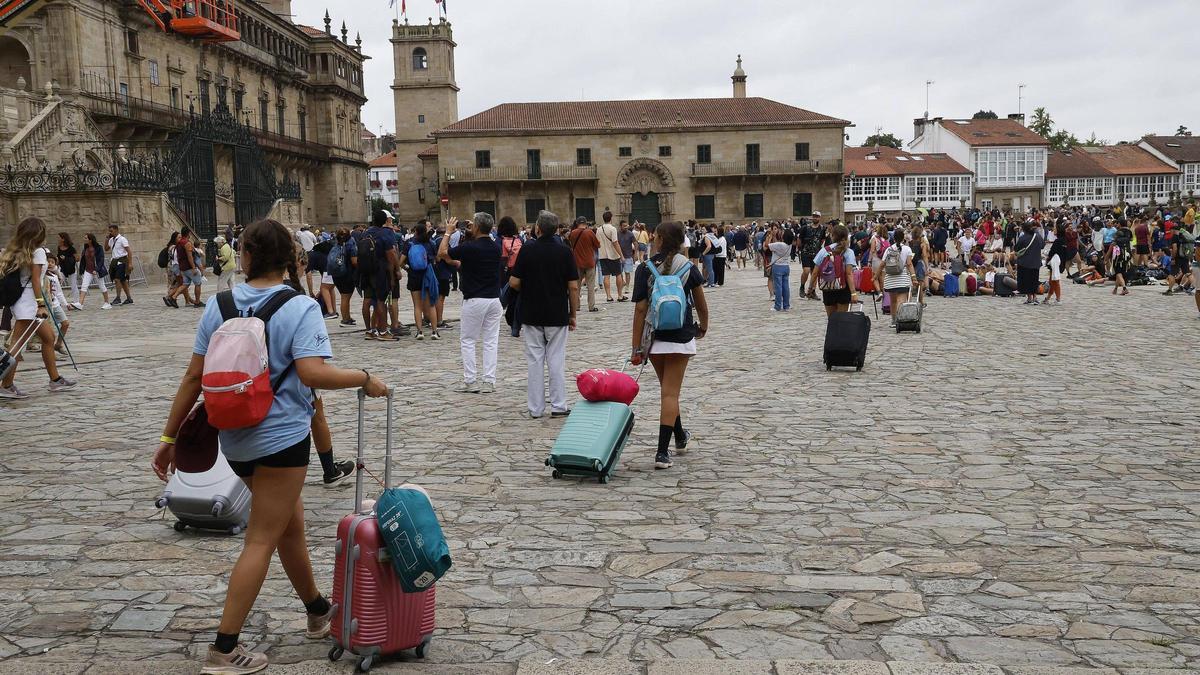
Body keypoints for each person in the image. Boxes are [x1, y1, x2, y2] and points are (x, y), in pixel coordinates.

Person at [152, 218, 387, 674]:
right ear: (292, 260)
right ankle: (224, 648)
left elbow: (193, 378)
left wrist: (168, 438)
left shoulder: (219, 305)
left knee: (288, 524)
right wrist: (365, 378)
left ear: (245, 256)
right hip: (281, 437)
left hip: (235, 437)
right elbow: (313, 374)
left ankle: (318, 610)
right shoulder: (301, 307)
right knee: (262, 537)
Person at [630, 220, 708, 470]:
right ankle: (662, 452)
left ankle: (680, 436)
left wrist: (636, 347)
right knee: (670, 393)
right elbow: (701, 303)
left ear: (661, 239)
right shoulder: (688, 267)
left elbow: (640, 309)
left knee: (667, 390)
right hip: (681, 336)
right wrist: (703, 326)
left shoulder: (645, 268)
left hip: (654, 338)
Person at [509, 211, 579, 419]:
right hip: (557, 313)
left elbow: (514, 282)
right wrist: (573, 313)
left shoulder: (528, 250)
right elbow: (573, 287)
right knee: (556, 360)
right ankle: (558, 405)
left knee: (534, 361)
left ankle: (536, 408)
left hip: (531, 313)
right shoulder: (564, 252)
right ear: (556, 229)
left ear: (538, 228)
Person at [0, 217, 77, 398]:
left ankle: (55, 380)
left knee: (48, 338)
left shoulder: (17, 249)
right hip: (30, 303)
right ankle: (6, 385)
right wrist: (41, 305)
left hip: (22, 300)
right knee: (16, 346)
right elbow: (36, 281)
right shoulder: (39, 252)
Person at [441, 213, 503, 393]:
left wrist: (448, 233)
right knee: (491, 341)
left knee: (468, 340)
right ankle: (489, 381)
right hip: (493, 299)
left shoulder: (469, 248)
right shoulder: (495, 247)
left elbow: (442, 253)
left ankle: (470, 380)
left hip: (475, 299)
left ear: (476, 227)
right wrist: (474, 229)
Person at [362, 210, 401, 341]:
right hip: (380, 270)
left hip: (367, 270)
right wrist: (397, 270)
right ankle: (383, 331)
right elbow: (391, 254)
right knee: (381, 300)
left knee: (367, 301)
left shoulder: (367, 232)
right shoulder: (385, 234)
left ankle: (370, 330)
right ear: (385, 221)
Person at [401, 221, 439, 341]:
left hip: (414, 275)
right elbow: (437, 259)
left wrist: (407, 268)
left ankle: (420, 331)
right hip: (427, 275)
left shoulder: (409, 243)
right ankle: (434, 331)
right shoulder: (431, 243)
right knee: (431, 304)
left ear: (415, 232)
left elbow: (400, 261)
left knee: (417, 305)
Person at [810, 222, 859, 316]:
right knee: (842, 319)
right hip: (843, 288)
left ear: (832, 236)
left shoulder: (824, 250)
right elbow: (849, 274)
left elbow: (815, 272)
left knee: (831, 320)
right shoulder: (849, 252)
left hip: (828, 288)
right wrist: (853, 293)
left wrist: (810, 288)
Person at [880, 228, 915, 328]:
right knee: (901, 300)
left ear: (893, 238)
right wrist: (913, 277)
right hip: (902, 278)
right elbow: (909, 264)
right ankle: (901, 319)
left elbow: (882, 264)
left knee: (893, 301)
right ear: (903, 238)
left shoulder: (889, 249)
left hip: (891, 278)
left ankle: (894, 320)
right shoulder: (907, 249)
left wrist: (875, 276)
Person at [566, 216, 600, 313]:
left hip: (577, 262)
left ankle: (576, 306)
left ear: (577, 223)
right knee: (590, 286)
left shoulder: (573, 233)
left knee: (577, 286)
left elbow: (571, 244)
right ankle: (591, 306)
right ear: (586, 223)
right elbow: (598, 245)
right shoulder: (590, 232)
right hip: (589, 262)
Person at [168, 226, 205, 308]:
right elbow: (190, 257)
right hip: (189, 267)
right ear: (189, 233)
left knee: (185, 284)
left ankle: (173, 297)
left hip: (183, 267)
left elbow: (178, 256)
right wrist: (194, 268)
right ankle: (197, 301)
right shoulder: (187, 243)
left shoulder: (179, 243)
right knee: (198, 283)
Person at [330, 227, 358, 326]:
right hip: (347, 273)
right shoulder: (351, 242)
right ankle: (345, 319)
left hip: (336, 273)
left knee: (344, 296)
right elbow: (354, 261)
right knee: (345, 297)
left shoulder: (335, 243)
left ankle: (347, 317)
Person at [1013, 221, 1045, 305]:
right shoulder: (1037, 236)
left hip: (1024, 263)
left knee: (1026, 281)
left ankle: (1030, 298)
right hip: (1035, 262)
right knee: (1034, 280)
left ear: (1024, 229)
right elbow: (1043, 245)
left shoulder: (1023, 237)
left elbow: (1016, 248)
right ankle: (1035, 297)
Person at [78, 233, 113, 310]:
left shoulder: (98, 248)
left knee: (101, 286)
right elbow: (83, 260)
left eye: (86, 238)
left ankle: (107, 303)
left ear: (90, 240)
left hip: (96, 270)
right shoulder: (85, 248)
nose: (84, 239)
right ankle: (80, 304)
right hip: (88, 270)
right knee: (84, 286)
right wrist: (81, 270)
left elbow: (101, 260)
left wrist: (96, 269)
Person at [596, 211, 623, 302]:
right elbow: (615, 243)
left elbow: (597, 242)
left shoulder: (599, 229)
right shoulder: (613, 229)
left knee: (606, 275)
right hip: (613, 255)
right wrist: (621, 255)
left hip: (602, 255)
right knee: (618, 274)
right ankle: (620, 295)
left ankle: (608, 296)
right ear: (611, 218)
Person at [765, 225, 792, 312]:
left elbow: (767, 245)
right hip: (786, 266)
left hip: (778, 267)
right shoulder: (789, 245)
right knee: (786, 287)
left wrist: (769, 236)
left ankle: (777, 306)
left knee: (778, 287)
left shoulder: (780, 245)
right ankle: (786, 305)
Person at [105, 224, 134, 305]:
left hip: (122, 261)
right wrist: (107, 239)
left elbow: (129, 251)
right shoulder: (111, 240)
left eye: (111, 231)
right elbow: (106, 249)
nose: (110, 232)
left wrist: (130, 263)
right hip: (114, 261)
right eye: (109, 231)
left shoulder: (122, 239)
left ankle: (118, 298)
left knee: (117, 279)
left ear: (116, 230)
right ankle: (129, 298)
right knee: (123, 281)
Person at [1042, 222, 1067, 305]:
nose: (1054, 230)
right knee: (1052, 281)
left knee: (1055, 280)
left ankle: (1058, 298)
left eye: (1055, 229)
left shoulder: (1057, 241)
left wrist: (1046, 257)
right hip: (1061, 262)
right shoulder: (1064, 240)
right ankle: (1048, 298)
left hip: (1055, 263)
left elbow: (1052, 253)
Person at [56, 233, 79, 307]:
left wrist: (66, 258)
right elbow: (59, 258)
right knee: (57, 284)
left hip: (71, 269)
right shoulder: (59, 247)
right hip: (62, 269)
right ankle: (57, 301)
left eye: (59, 237)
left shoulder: (71, 248)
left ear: (63, 239)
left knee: (73, 286)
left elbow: (77, 258)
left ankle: (76, 302)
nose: (58, 239)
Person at [617, 220, 637, 296]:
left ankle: (627, 287)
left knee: (627, 272)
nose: (626, 227)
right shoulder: (617, 234)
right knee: (619, 272)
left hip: (628, 256)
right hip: (619, 256)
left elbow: (635, 243)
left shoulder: (630, 234)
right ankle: (623, 282)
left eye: (626, 225)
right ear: (620, 226)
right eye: (624, 226)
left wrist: (635, 254)